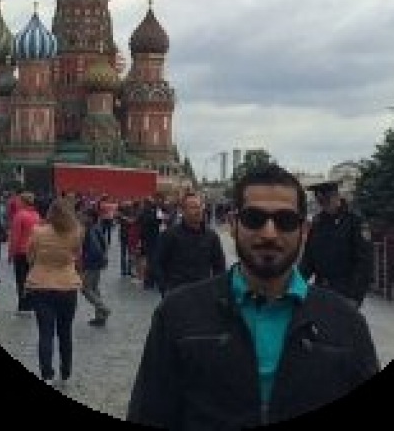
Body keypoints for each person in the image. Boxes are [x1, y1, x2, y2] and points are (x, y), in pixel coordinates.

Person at [127, 163, 380, 428]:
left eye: (285, 221)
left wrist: (347, 298)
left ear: (303, 231)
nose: (269, 233)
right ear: (233, 224)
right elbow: (150, 413)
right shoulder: (177, 314)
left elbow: (362, 263)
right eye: (254, 218)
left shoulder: (346, 323)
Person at [25, 197, 84, 387]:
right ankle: (65, 371)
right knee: (65, 332)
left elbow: (29, 256)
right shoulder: (76, 232)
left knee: (45, 332)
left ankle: (47, 374)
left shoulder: (38, 232)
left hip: (41, 285)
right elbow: (77, 255)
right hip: (67, 285)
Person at [298, 180, 374, 308]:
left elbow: (364, 262)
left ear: (336, 196)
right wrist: (297, 285)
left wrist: (355, 296)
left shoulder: (354, 221)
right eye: (320, 200)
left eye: (326, 199)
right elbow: (308, 260)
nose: (323, 204)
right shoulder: (318, 222)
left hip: (345, 293)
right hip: (320, 290)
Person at [155, 191, 226, 297]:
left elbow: (219, 266)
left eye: (200, 207)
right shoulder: (170, 235)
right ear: (183, 211)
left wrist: (217, 291)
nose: (198, 211)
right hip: (177, 294)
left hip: (203, 294)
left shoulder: (211, 236)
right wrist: (164, 288)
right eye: (193, 207)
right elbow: (158, 263)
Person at [8, 191, 41, 313]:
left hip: (21, 252)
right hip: (33, 252)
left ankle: (23, 304)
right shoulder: (36, 215)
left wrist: (11, 253)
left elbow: (15, 237)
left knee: (21, 279)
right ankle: (31, 302)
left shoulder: (19, 215)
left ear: (23, 201)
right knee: (31, 278)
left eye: (19, 200)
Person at [80, 207, 111, 327]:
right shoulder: (96, 227)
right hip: (97, 262)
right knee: (94, 289)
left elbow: (95, 249)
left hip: (92, 263)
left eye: (84, 215)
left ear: (90, 218)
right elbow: (104, 244)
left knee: (85, 288)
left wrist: (86, 260)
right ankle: (100, 316)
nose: (81, 217)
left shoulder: (90, 229)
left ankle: (103, 309)